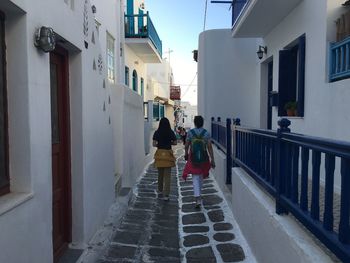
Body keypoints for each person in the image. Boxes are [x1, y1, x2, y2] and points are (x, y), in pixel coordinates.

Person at [182, 116, 215, 208]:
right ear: (202, 123)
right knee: (200, 176)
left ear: (195, 123)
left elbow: (187, 145)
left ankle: (198, 198)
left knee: (195, 177)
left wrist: (186, 154)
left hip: (193, 157)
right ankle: (198, 195)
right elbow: (209, 147)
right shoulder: (206, 133)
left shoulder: (190, 133)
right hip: (204, 157)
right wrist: (212, 159)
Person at [153, 118, 177, 201]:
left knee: (160, 174)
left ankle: (160, 190)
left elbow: (154, 144)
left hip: (160, 154)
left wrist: (160, 144)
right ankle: (166, 195)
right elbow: (175, 142)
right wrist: (168, 143)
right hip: (167, 155)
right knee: (167, 176)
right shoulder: (170, 132)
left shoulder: (157, 132)